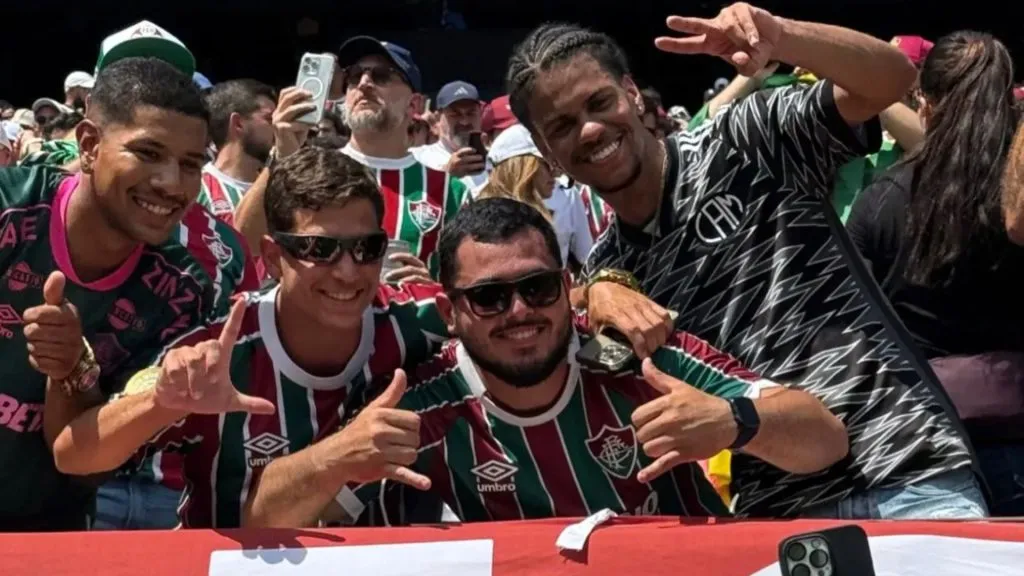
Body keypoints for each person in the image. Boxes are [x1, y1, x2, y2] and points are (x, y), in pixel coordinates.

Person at [506, 4, 985, 519]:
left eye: (599, 102)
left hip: (905, 466)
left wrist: (784, 35)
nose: (589, 130)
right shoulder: (614, 273)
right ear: (545, 150)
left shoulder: (741, 140)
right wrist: (593, 288)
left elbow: (891, 80)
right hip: (780, 511)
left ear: (631, 93)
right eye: (562, 126)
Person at [242, 198, 847, 527]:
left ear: (566, 286)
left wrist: (735, 421)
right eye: (489, 297)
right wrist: (335, 456)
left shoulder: (636, 359)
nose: (520, 312)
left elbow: (827, 440)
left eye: (536, 288)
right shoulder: (419, 406)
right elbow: (265, 521)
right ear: (450, 312)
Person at [50, 146, 451, 528]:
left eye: (367, 247)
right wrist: (161, 403)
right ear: (273, 258)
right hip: (230, 559)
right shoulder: (219, 351)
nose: (348, 271)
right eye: (319, 248)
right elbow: (73, 455)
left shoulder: (421, 318)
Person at [0, 57, 250, 532]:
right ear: (89, 145)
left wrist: (72, 370)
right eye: (148, 153)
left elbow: (85, 463)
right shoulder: (9, 209)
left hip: (46, 530)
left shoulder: (183, 293)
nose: (171, 183)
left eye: (190, 164)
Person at [848, 32, 1024, 516]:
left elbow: (852, 331)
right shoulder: (1016, 205)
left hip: (919, 446)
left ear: (924, 104)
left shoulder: (880, 200)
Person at [235, 37, 467, 283]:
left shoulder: (450, 192)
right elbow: (244, 243)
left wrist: (433, 287)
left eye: (381, 75)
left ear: (414, 104)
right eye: (355, 76)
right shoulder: (310, 170)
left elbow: (467, 281)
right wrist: (282, 154)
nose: (364, 83)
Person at [479, 124, 593, 271]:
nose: (555, 172)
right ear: (523, 168)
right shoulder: (477, 208)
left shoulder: (568, 194)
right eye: (547, 164)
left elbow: (585, 259)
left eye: (555, 163)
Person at [196, 80, 278, 225]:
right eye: (270, 119)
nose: (278, 127)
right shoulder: (196, 188)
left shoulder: (280, 193)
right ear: (238, 123)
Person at [411, 80, 490, 193]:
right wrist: (447, 174)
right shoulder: (418, 157)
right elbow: (409, 195)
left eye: (471, 113)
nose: (464, 122)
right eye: (455, 114)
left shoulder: (495, 159)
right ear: (438, 119)